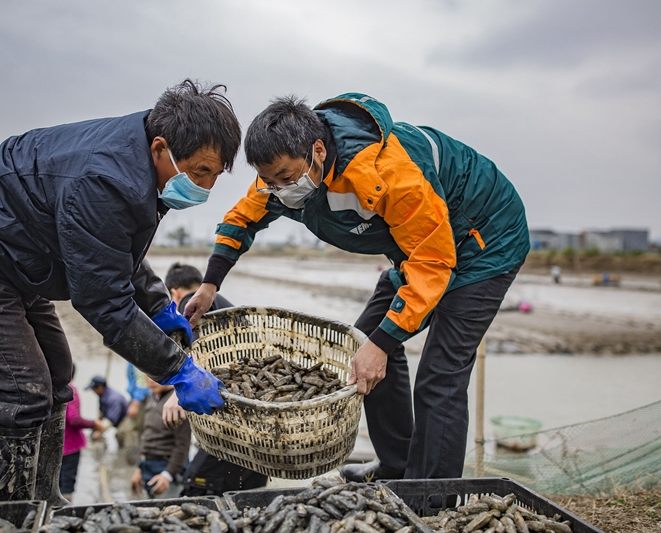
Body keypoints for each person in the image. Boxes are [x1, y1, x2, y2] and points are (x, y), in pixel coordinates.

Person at [0, 79, 238, 504]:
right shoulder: (103, 179)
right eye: (199, 172)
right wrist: (178, 371)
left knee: (58, 372)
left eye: (213, 176)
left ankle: (45, 499)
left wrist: (156, 305)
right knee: (20, 390)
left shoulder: (136, 168)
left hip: (15, 254)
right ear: (159, 147)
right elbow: (104, 304)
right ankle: (9, 516)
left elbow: (117, 251)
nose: (204, 188)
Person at [185, 94, 530, 482]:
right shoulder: (284, 174)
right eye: (269, 180)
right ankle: (396, 466)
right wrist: (210, 285)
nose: (279, 189)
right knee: (363, 346)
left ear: (318, 151)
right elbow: (241, 219)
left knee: (440, 373)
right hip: (417, 249)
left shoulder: (386, 173)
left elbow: (432, 262)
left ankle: (433, 496)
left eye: (284, 177)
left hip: (482, 240)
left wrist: (383, 345)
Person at [163, 263, 268, 495]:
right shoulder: (224, 306)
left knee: (193, 486)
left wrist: (176, 392)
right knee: (250, 493)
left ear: (174, 292)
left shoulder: (190, 302)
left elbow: (204, 351)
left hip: (233, 427)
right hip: (258, 425)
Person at [130, 376, 191, 498]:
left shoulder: (175, 403)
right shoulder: (150, 398)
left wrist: (168, 475)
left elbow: (182, 445)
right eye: (148, 375)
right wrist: (139, 468)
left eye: (156, 376)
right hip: (148, 465)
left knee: (168, 510)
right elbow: (146, 436)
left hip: (168, 466)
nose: (151, 380)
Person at [60, 364, 105, 501]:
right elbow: (73, 419)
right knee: (67, 484)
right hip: (70, 445)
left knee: (55, 482)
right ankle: (65, 511)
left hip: (54, 446)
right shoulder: (70, 390)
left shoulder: (49, 389)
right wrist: (94, 424)